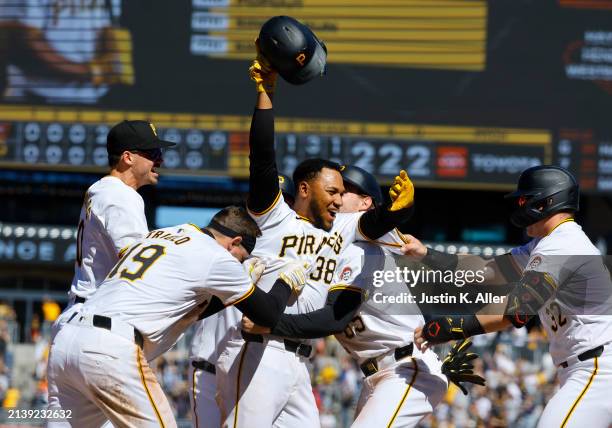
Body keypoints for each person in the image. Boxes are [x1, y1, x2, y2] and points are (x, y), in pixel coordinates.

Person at [214, 48, 416, 428]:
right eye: (333, 191)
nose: (340, 199)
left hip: (298, 360)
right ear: (304, 189)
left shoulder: (341, 227)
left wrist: (398, 212)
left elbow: (372, 225)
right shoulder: (275, 218)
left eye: (343, 193)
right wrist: (266, 95)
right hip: (261, 349)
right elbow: (262, 159)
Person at [242, 165, 484, 427]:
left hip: (406, 368)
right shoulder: (326, 245)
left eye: (345, 191)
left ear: (365, 202)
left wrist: (271, 322)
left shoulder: (363, 248)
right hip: (376, 376)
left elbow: (334, 318)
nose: (336, 195)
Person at [46, 206, 311, 427]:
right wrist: (284, 283)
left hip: (66, 340)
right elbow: (266, 313)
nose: (241, 264)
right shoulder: (217, 256)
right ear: (235, 243)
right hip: (109, 349)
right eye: (242, 258)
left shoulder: (163, 233)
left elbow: (189, 311)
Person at [406, 165, 612, 427]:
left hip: (598, 369)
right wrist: (427, 254)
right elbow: (487, 271)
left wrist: (454, 326)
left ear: (546, 201)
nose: (519, 206)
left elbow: (517, 310)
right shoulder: (548, 243)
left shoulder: (564, 243)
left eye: (525, 199)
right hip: (587, 368)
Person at [187, 174, 295, 428]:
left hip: (258, 371)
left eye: (283, 200)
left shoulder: (292, 248)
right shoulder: (228, 245)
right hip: (209, 367)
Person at [51, 120, 175, 337]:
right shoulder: (121, 195)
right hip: (97, 322)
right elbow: (138, 264)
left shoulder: (100, 189)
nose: (160, 159)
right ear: (128, 157)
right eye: (153, 153)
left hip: (80, 316)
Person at [2, 0, 133, 103]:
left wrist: (113, 53)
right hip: (35, 99)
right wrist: (91, 72)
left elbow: (106, 24)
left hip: (93, 101)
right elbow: (18, 41)